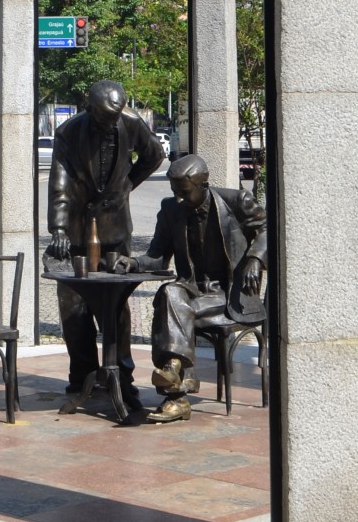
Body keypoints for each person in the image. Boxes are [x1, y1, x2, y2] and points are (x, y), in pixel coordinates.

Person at [44, 80, 165, 396]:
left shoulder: (132, 123)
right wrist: (58, 229)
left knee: (116, 304)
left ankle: (121, 374)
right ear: (90, 111)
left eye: (114, 119)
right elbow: (60, 183)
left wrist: (128, 184)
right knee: (72, 305)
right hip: (77, 228)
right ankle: (82, 373)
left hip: (114, 228)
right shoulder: (69, 132)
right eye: (103, 120)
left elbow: (155, 155)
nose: (110, 126)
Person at [142, 153, 267, 423]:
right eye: (175, 192)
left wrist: (255, 259)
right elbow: (156, 256)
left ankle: (175, 385)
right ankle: (175, 371)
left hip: (230, 293)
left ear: (203, 185)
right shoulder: (171, 209)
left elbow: (268, 229)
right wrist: (129, 262)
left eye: (184, 193)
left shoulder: (237, 202)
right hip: (193, 290)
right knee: (170, 292)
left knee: (176, 307)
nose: (179, 199)